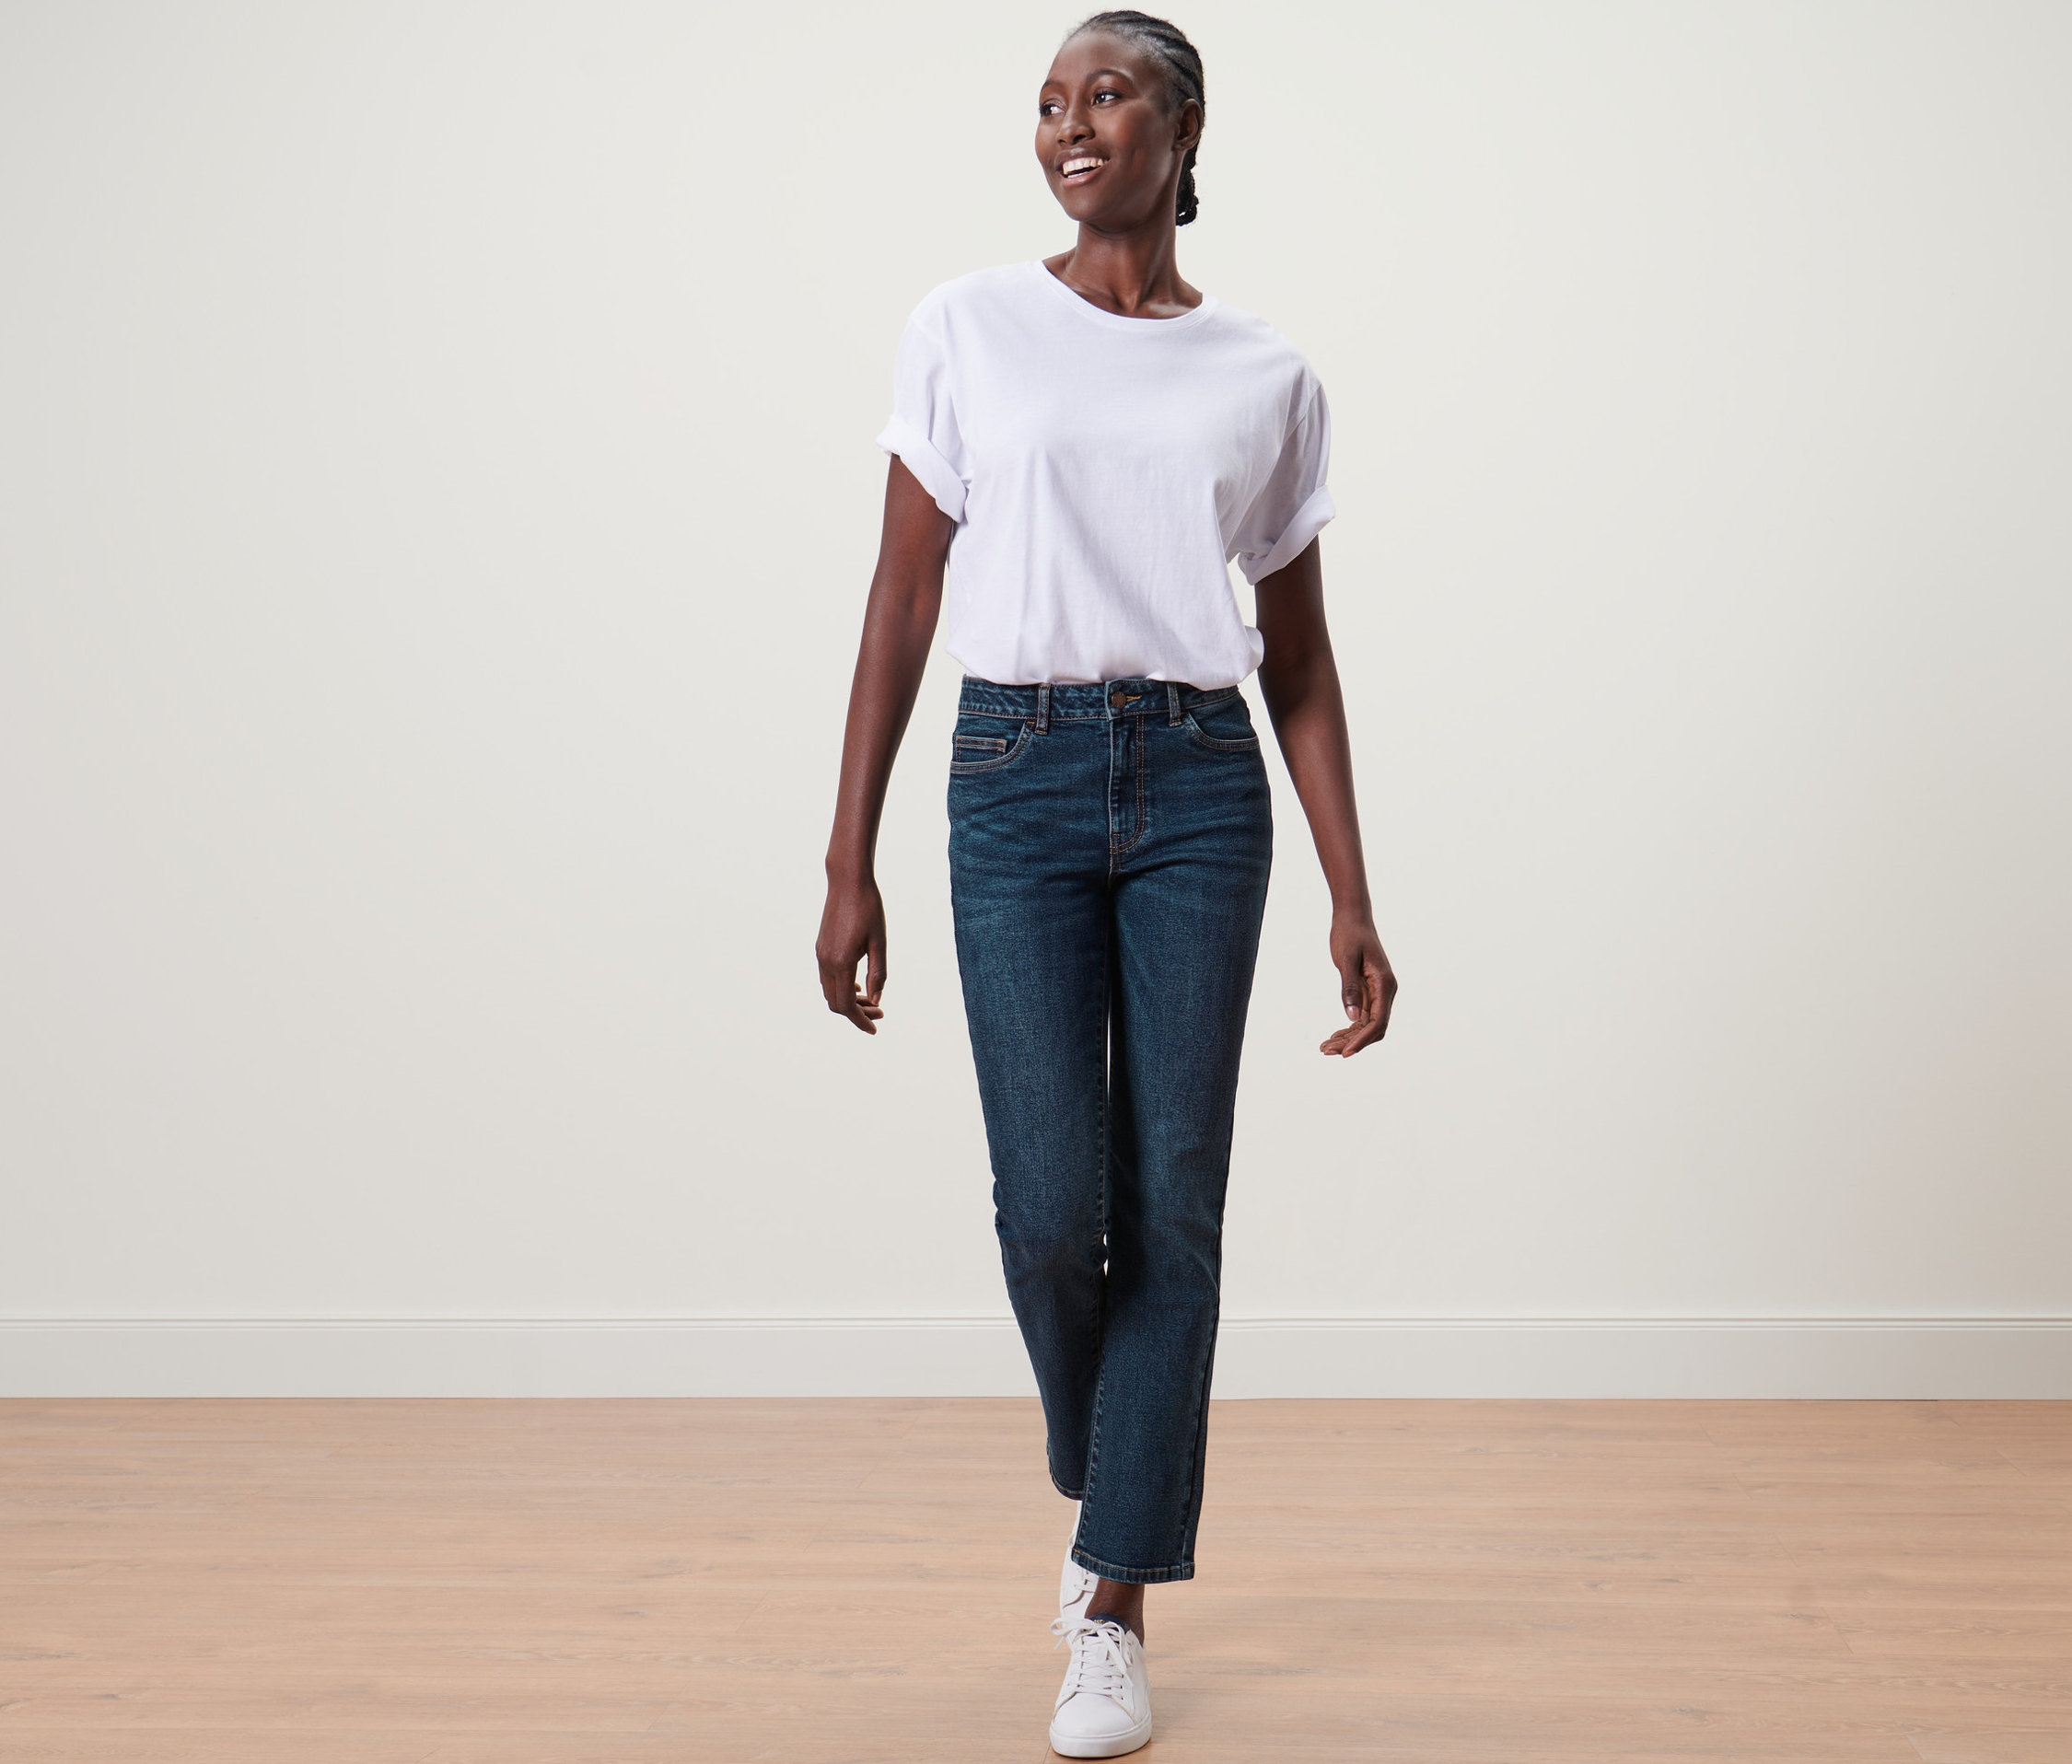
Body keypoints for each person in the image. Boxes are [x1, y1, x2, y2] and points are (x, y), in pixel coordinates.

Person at [815, 10, 1396, 1755]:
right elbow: (901, 600)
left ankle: (1113, 1596)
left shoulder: (1265, 376)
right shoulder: (966, 327)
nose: (1072, 125)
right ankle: (1114, 1465)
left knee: (1176, 1205)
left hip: (1205, 787)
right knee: (1047, 1209)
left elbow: (1295, 658)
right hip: (1011, 777)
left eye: (1108, 93)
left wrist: (1350, 896)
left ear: (1184, 123)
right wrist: (845, 855)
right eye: (1051, 103)